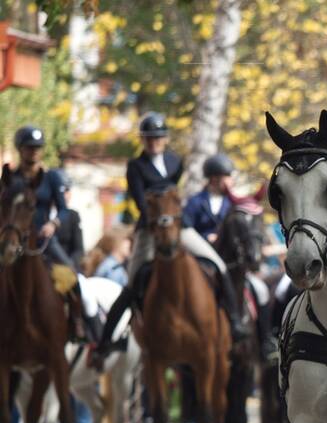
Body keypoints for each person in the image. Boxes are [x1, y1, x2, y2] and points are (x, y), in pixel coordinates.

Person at [94, 113, 246, 364]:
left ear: (165, 139)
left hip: (180, 226)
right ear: (143, 140)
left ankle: (235, 323)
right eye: (149, 138)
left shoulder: (176, 161)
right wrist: (158, 222)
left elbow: (175, 195)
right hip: (149, 228)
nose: (154, 142)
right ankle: (107, 341)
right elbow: (141, 201)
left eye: (158, 137)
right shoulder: (135, 167)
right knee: (132, 284)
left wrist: (172, 221)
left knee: (217, 264)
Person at [4, 126, 101, 342]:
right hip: (14, 240)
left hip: (44, 241)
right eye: (30, 148)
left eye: (38, 148)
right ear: (20, 149)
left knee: (75, 282)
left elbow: (64, 210)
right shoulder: (12, 179)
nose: (34, 152)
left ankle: (85, 329)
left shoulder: (52, 178)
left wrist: (53, 223)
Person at [182, 154, 234, 243]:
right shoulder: (195, 202)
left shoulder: (231, 203)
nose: (231, 181)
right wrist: (206, 237)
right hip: (200, 249)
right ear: (214, 179)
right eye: (227, 176)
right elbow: (186, 229)